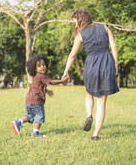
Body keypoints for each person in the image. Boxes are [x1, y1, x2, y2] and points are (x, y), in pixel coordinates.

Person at [62, 9, 119, 140]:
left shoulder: (80, 35)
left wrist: (66, 71)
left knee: (88, 92)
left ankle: (89, 114)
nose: (75, 24)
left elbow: (72, 55)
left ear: (80, 19)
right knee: (102, 101)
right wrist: (116, 64)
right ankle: (95, 135)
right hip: (107, 64)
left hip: (91, 65)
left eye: (75, 21)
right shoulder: (104, 28)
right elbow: (114, 46)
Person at [11, 53, 68, 138]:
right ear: (34, 68)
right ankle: (35, 133)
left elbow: (38, 88)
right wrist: (61, 81)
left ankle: (18, 122)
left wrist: (47, 91)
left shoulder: (36, 77)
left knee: (30, 115)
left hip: (29, 100)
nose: (42, 67)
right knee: (40, 116)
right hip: (36, 101)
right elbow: (51, 81)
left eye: (44, 64)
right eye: (39, 66)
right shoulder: (41, 76)